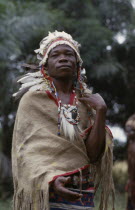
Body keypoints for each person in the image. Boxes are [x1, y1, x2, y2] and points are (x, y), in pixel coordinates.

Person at [12, 31, 114, 210]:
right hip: (46, 194)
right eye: (55, 55)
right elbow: (25, 153)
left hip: (82, 192)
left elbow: (93, 154)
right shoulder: (32, 101)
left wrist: (101, 111)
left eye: (69, 54)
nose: (63, 58)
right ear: (45, 66)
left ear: (77, 65)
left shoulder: (88, 103)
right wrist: (51, 179)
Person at [125, 114, 135, 210]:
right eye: (127, 130)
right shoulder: (131, 144)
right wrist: (130, 180)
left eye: (131, 130)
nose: (128, 133)